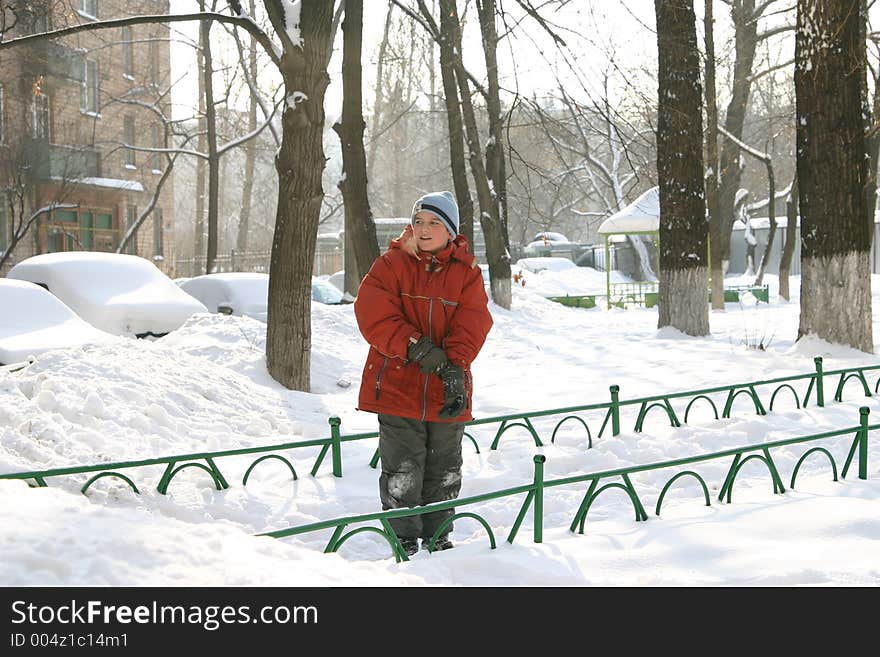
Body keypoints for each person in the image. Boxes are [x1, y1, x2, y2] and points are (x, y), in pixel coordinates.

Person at [353, 191, 493, 557]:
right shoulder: (391, 265)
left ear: (450, 231)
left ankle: (439, 535)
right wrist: (415, 347)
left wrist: (453, 367)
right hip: (398, 384)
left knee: (445, 468)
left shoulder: (467, 275)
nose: (424, 229)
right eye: (419, 221)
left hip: (447, 388)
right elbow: (373, 313)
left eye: (434, 223)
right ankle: (404, 542)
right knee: (402, 468)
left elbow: (474, 322)